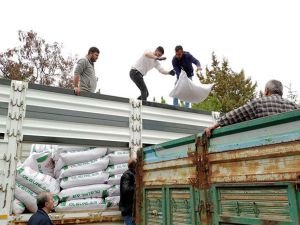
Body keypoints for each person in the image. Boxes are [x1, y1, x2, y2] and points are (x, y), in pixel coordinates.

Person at [205, 79, 299, 137]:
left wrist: (213, 126)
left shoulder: (259, 103)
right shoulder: (295, 107)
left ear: (266, 91)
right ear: (281, 92)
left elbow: (235, 115)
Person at [119, 158, 137, 225]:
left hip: (130, 208)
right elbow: (125, 189)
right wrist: (137, 188)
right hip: (128, 209)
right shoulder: (127, 175)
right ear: (134, 165)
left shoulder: (132, 173)